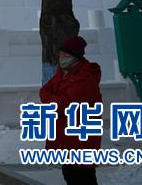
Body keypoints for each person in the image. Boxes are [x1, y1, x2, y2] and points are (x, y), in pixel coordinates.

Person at [39, 35, 102, 185]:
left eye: (66, 55)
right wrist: (52, 97)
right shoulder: (63, 73)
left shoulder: (85, 77)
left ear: (76, 56)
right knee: (69, 174)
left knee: (82, 177)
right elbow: (44, 91)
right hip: (66, 136)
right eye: (60, 54)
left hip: (80, 138)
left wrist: (52, 98)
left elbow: (64, 104)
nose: (62, 58)